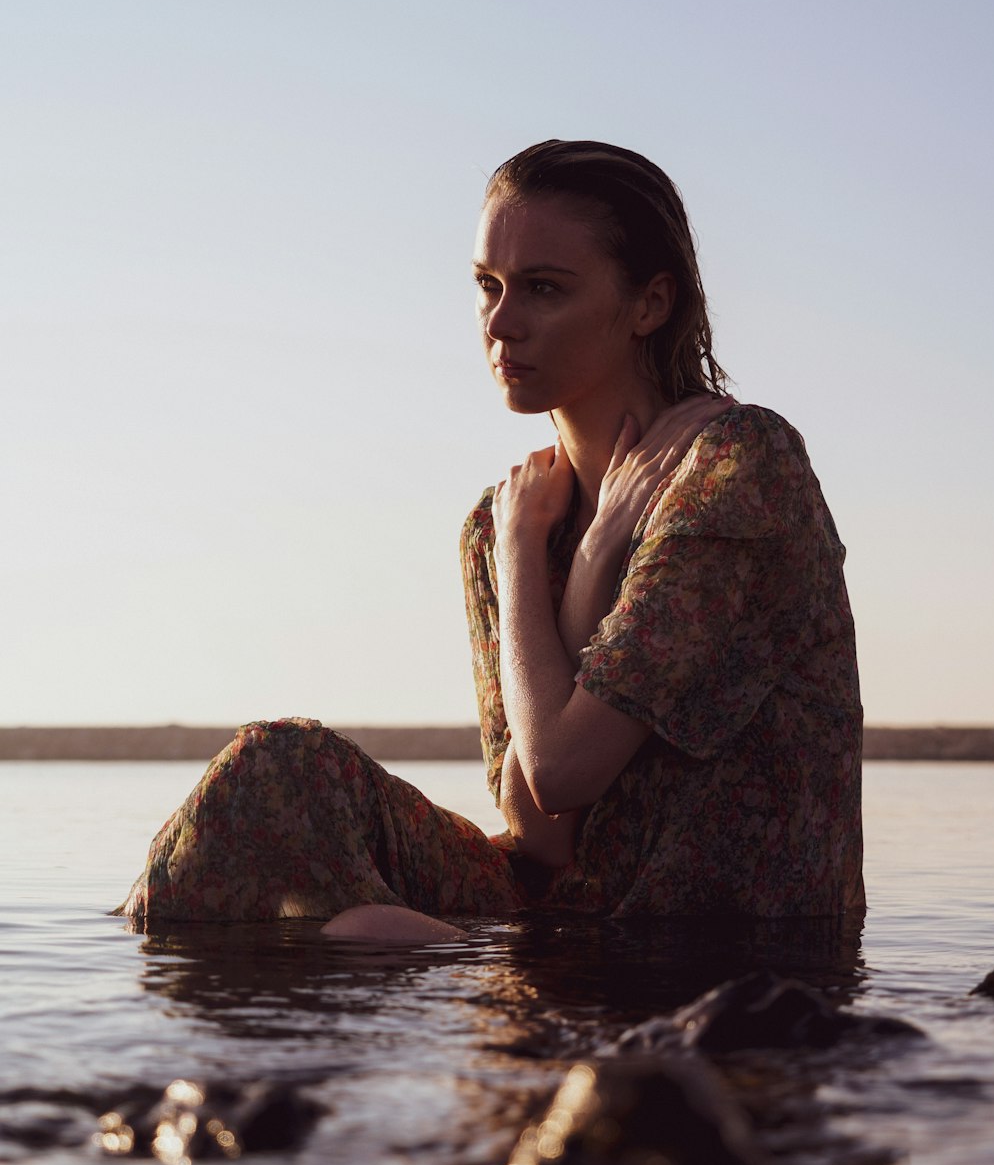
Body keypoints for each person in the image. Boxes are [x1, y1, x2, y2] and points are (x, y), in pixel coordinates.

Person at [115, 140, 864, 937]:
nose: (501, 324)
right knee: (272, 770)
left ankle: (412, 961)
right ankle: (147, 1036)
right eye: (486, 286)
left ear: (650, 303)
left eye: (543, 289)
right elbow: (539, 830)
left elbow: (561, 771)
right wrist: (565, 561)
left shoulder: (738, 465)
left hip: (706, 942)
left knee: (351, 932)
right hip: (558, 914)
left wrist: (571, 555)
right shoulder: (503, 520)